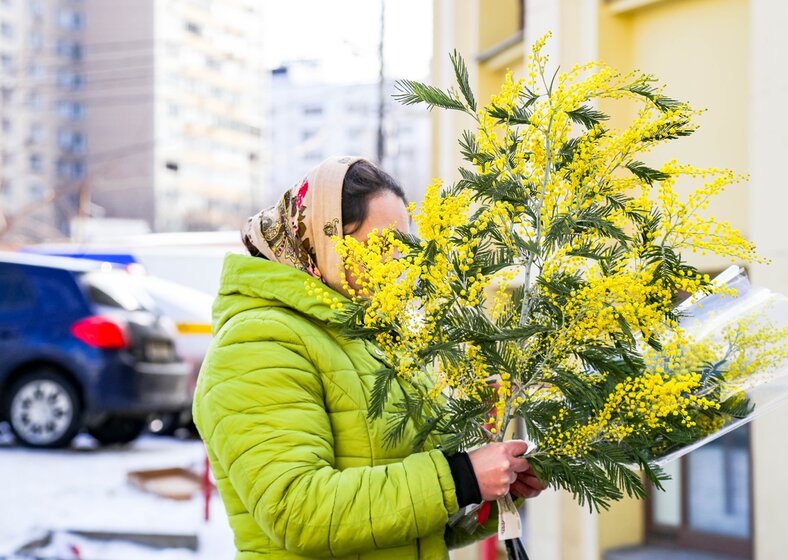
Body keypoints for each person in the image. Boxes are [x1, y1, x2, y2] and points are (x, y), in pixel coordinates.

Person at [192, 156, 545, 559]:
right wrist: (460, 477)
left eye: (404, 245)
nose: (398, 262)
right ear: (322, 237)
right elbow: (298, 510)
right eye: (383, 245)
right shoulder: (257, 343)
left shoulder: (373, 338)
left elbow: (412, 521)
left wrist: (489, 490)